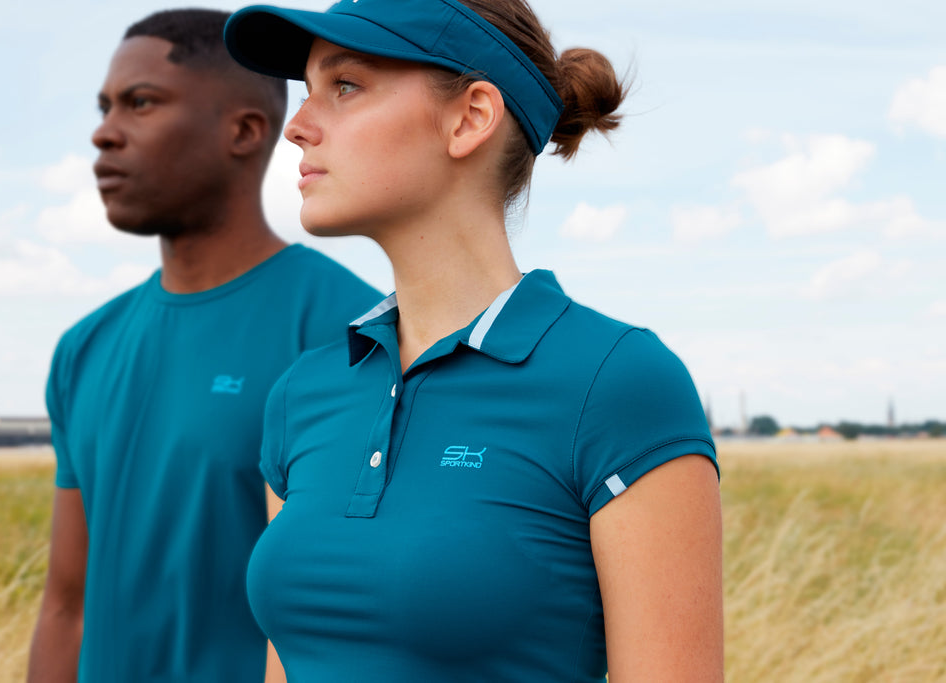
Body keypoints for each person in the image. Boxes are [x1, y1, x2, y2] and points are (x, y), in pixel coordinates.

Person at [224, 0, 724, 681]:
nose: (299, 127)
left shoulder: (616, 382)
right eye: (304, 93)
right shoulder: (302, 394)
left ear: (470, 117)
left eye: (344, 86)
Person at [27, 8, 381, 682]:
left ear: (245, 131)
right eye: (104, 107)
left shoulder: (352, 331)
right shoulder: (84, 348)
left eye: (140, 103)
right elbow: (66, 605)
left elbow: (360, 617)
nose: (103, 134)